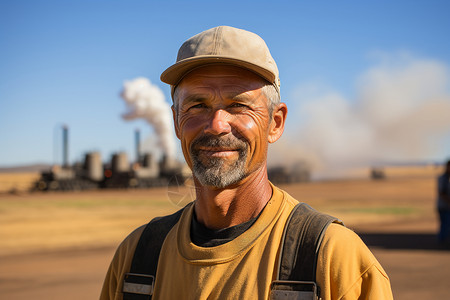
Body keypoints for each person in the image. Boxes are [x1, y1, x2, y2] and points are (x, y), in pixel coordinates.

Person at [100, 26, 393, 300]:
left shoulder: (333, 260)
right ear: (177, 122)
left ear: (275, 123)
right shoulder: (136, 259)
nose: (216, 125)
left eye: (238, 105)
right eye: (198, 105)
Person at [437, 160, 450, 244]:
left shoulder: (447, 178)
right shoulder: (443, 178)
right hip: (443, 206)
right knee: (445, 224)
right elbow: (442, 193)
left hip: (446, 206)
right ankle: (442, 241)